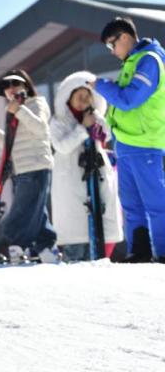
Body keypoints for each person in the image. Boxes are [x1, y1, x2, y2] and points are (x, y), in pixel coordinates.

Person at [91, 17, 165, 263]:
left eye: (111, 45)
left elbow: (129, 99)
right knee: (132, 205)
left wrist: (102, 85)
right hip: (126, 144)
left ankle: (164, 252)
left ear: (124, 36)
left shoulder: (149, 60)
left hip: (146, 143)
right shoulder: (132, 62)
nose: (112, 51)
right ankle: (139, 252)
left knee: (156, 202)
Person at [0, 69, 59, 263]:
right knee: (36, 210)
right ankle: (46, 248)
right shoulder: (13, 111)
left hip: (35, 166)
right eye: (6, 86)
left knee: (22, 211)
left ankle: (17, 246)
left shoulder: (35, 103)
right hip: (21, 169)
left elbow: (41, 129)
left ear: (26, 85)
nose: (11, 89)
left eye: (15, 83)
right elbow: (11, 143)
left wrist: (20, 111)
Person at [50, 71, 123, 261]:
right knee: (76, 247)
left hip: (96, 181)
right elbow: (62, 146)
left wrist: (95, 119)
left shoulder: (96, 118)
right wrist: (82, 128)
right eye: (79, 96)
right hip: (71, 184)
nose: (83, 101)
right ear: (69, 97)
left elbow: (107, 134)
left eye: (87, 97)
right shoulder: (59, 121)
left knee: (100, 246)